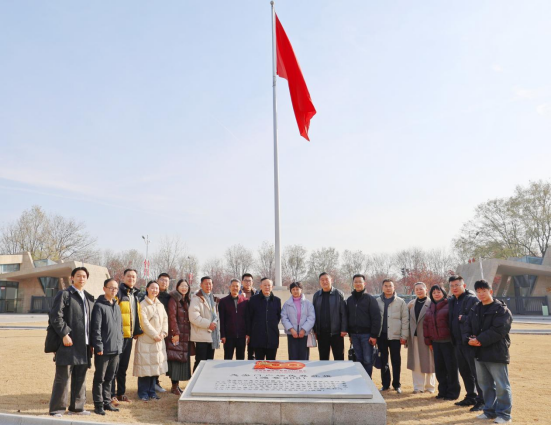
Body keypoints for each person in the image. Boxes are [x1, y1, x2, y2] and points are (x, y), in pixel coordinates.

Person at [462, 280, 513, 424]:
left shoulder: (501, 310)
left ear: (490, 291)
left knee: (502, 386)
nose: (481, 294)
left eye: (484, 291)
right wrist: (468, 339)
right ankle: (489, 411)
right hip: (479, 353)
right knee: (485, 385)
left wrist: (479, 339)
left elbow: (499, 330)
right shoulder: (475, 309)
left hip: (496, 353)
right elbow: (466, 326)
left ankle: (504, 414)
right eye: (478, 292)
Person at [49, 267, 95, 417]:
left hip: (84, 344)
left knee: (80, 377)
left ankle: (77, 407)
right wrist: (64, 334)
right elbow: (55, 316)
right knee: (62, 378)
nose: (81, 278)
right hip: (68, 343)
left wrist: (91, 342)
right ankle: (57, 409)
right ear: (72, 278)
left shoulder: (88, 297)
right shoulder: (64, 294)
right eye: (78, 276)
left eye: (84, 276)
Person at [449, 275, 485, 411]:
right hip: (457, 342)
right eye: (452, 286)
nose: (454, 288)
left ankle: (482, 400)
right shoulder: (452, 301)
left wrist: (464, 318)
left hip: (469, 342)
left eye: (457, 285)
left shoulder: (472, 299)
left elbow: (478, 317)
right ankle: (471, 396)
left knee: (476, 373)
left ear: (464, 286)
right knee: (464, 372)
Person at [91, 279, 123, 416]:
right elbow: (96, 329)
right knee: (100, 378)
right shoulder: (99, 306)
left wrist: (120, 343)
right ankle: (98, 404)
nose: (114, 290)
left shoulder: (116, 306)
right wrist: (98, 346)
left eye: (116, 288)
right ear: (104, 288)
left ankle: (107, 402)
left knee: (110, 377)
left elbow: (120, 328)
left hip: (116, 348)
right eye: (111, 288)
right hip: (103, 349)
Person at [424, 284, 461, 401]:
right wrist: (428, 341)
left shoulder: (449, 305)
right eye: (434, 292)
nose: (436, 294)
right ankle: (442, 391)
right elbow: (426, 325)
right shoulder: (430, 307)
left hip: (448, 342)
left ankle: (453, 393)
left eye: (438, 292)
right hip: (436, 342)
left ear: (443, 293)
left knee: (451, 368)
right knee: (439, 369)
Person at [133, 281, 169, 402]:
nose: (155, 290)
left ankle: (152, 392)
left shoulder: (160, 305)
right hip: (146, 340)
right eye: (152, 288)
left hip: (158, 341)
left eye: (157, 288)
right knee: (144, 368)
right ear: (147, 289)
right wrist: (154, 335)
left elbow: (165, 319)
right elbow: (144, 323)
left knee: (154, 368)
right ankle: (143, 392)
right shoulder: (142, 304)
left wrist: (163, 333)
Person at [112, 269, 143, 405]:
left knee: (123, 367)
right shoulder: (118, 293)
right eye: (129, 276)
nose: (131, 279)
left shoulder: (135, 295)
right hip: (117, 336)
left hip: (129, 336)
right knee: (114, 367)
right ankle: (111, 394)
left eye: (134, 277)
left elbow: (136, 314)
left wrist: (136, 330)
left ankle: (121, 393)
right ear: (123, 277)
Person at [346, 274, 381, 378]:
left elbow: (376, 318)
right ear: (353, 284)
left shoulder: (370, 299)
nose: (358, 284)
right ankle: (360, 380)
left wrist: (374, 335)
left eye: (360, 282)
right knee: (358, 359)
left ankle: (367, 381)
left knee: (367, 360)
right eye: (356, 282)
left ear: (364, 283)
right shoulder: (350, 300)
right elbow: (348, 317)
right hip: (354, 335)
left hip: (367, 335)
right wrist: (350, 334)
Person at [377, 279, 409, 394]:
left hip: (395, 336)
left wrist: (404, 336)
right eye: (385, 286)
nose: (388, 288)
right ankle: (385, 384)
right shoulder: (377, 301)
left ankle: (397, 384)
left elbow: (405, 320)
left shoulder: (400, 302)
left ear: (394, 287)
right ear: (382, 287)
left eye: (390, 286)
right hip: (381, 336)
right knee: (383, 361)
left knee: (396, 361)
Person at [407, 282, 436, 394]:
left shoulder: (432, 303)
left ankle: (430, 387)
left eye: (421, 289)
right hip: (414, 338)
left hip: (427, 337)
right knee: (416, 363)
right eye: (416, 289)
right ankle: (418, 387)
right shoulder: (411, 304)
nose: (419, 291)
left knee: (429, 362)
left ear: (426, 290)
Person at [166, 279, 193, 396]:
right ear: (177, 287)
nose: (184, 288)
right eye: (182, 286)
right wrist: (175, 333)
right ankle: (174, 386)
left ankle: (176, 386)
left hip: (185, 335)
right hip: (177, 334)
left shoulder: (187, 300)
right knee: (175, 359)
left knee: (181, 359)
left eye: (186, 286)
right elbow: (172, 317)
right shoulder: (174, 299)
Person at [312, 273, 348, 361]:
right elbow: (314, 314)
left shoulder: (339, 294)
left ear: (331, 280)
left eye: (326, 279)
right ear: (319, 282)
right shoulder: (317, 295)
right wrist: (315, 330)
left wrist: (344, 329)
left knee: (339, 358)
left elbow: (344, 313)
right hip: (321, 334)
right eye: (322, 280)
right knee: (323, 359)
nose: (324, 282)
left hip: (337, 333)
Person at [190, 276, 220, 372]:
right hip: (201, 336)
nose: (208, 286)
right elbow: (194, 317)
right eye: (206, 284)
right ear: (201, 285)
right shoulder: (196, 298)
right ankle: (196, 380)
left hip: (211, 335)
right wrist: (208, 324)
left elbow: (215, 315)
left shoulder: (212, 298)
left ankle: (206, 380)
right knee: (200, 362)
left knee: (209, 362)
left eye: (210, 284)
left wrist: (214, 323)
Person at [248, 278, 282, 361]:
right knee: (259, 363)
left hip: (272, 337)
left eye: (269, 285)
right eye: (265, 285)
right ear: (261, 286)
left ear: (272, 287)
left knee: (271, 363)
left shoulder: (277, 301)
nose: (267, 287)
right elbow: (249, 317)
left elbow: (277, 317)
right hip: (258, 337)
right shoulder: (253, 300)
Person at [281, 282, 316, 361]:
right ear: (290, 291)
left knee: (304, 356)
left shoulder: (308, 303)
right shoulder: (287, 304)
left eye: (297, 289)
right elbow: (284, 317)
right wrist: (291, 329)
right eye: (293, 289)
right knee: (292, 356)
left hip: (304, 334)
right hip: (291, 334)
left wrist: (303, 330)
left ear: (301, 290)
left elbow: (311, 318)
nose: (295, 291)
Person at [219, 279, 249, 360]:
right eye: (233, 286)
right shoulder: (223, 301)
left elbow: (247, 318)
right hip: (228, 337)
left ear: (240, 288)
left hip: (241, 336)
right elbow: (222, 319)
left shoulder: (245, 301)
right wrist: (223, 335)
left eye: (237, 286)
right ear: (229, 287)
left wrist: (248, 333)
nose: (235, 288)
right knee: (227, 359)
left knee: (240, 359)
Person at [155, 272, 171, 394]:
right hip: (153, 332)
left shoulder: (170, 297)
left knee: (161, 358)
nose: (164, 282)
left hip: (165, 332)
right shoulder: (152, 294)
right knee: (153, 358)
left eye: (166, 281)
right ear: (157, 280)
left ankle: (156, 381)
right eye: (162, 280)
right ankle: (153, 382)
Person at [241, 273, 257, 360]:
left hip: (253, 325)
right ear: (242, 282)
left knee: (252, 352)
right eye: (246, 281)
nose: (248, 283)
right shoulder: (236, 292)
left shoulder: (257, 294)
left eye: (249, 281)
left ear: (252, 282)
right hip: (240, 325)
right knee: (240, 352)